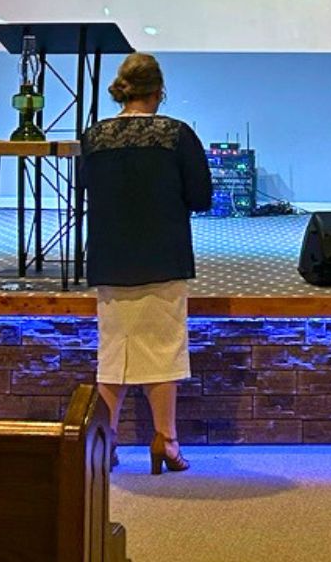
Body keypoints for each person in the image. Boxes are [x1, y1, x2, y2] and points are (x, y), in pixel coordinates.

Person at [80, 52, 212, 474]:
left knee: (113, 351)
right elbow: (202, 197)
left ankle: (105, 441)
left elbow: (85, 190)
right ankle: (166, 441)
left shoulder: (94, 136)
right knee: (164, 349)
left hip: (110, 255)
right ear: (159, 92)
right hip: (162, 254)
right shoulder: (176, 135)